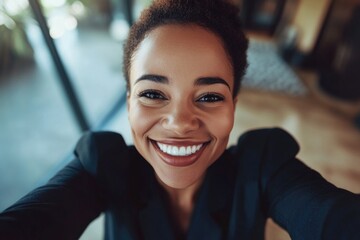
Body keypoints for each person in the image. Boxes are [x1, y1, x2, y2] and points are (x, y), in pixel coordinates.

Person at [1, 0, 360, 239]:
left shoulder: (264, 167)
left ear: (233, 104)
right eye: (153, 94)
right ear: (129, 103)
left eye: (209, 97)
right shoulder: (102, 163)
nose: (180, 122)